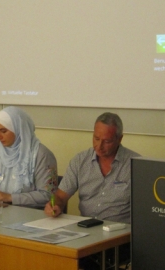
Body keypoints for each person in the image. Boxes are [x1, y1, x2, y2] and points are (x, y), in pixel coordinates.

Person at [45, 112, 139, 269]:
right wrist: (55, 205)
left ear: (119, 139)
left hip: (119, 237)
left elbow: (146, 213)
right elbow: (60, 196)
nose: (99, 146)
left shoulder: (134, 165)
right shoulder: (80, 161)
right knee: (53, 254)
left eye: (107, 141)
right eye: (96, 138)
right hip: (85, 232)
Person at [0, 106, 57, 208]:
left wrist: (11, 198)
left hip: (29, 215)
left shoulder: (41, 154)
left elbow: (48, 195)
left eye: (3, 131)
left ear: (18, 129)